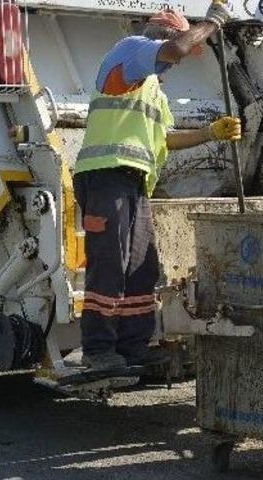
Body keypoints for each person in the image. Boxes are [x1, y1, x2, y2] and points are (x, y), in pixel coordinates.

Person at [73, 2, 241, 370]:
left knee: (141, 268)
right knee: (109, 264)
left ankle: (132, 348)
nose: (174, 66)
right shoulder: (130, 50)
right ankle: (98, 349)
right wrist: (213, 21)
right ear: (162, 39)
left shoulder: (151, 89)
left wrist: (211, 133)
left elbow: (166, 138)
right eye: (174, 56)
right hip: (105, 175)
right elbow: (177, 49)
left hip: (133, 182)